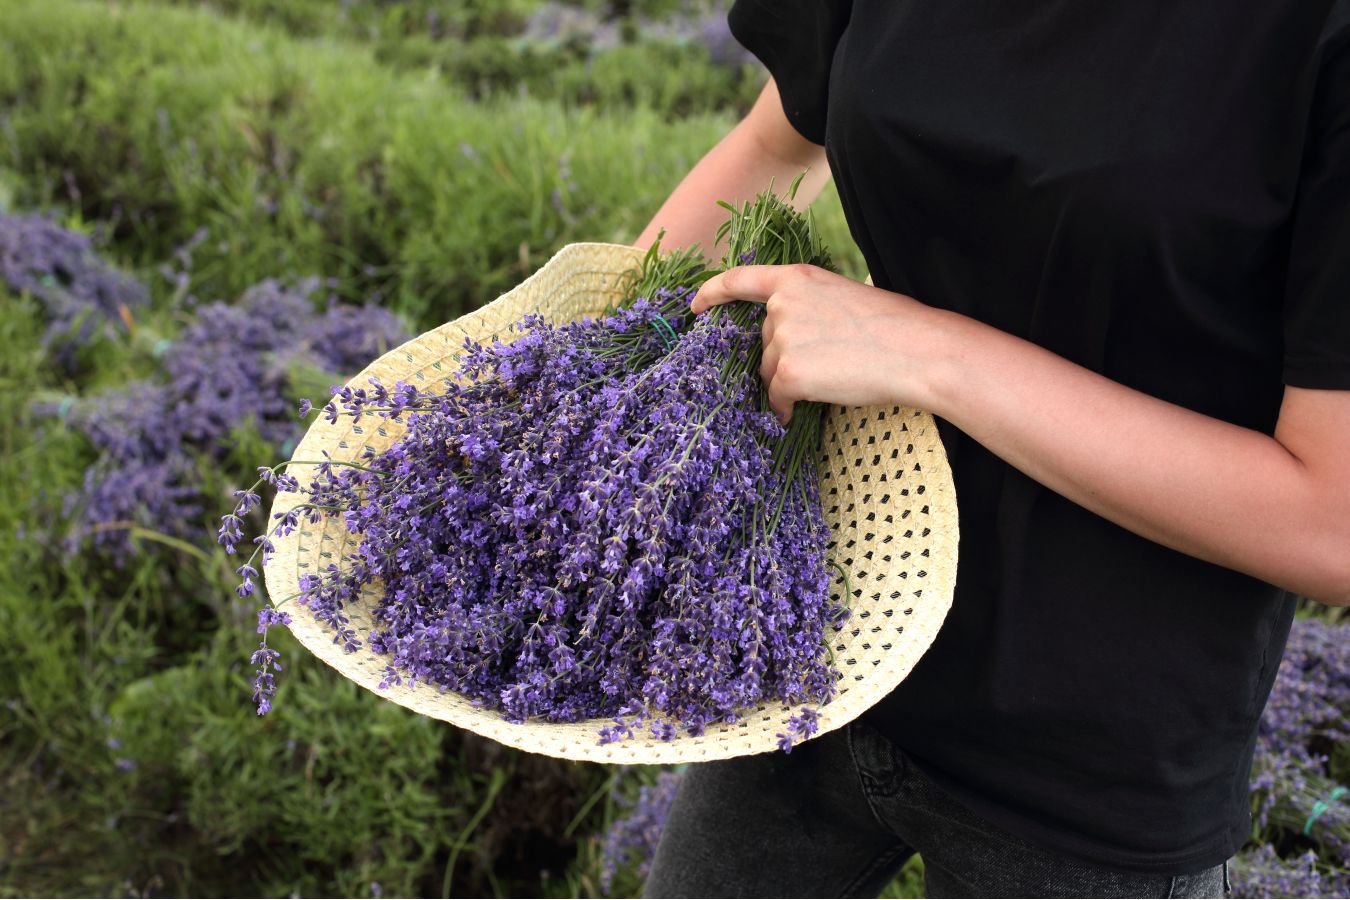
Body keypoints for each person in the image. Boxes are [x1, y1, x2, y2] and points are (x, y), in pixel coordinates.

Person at [632, 1, 1350, 897]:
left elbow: (1333, 524)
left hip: (1092, 759)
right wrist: (582, 377)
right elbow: (777, 143)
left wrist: (930, 352)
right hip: (814, 624)